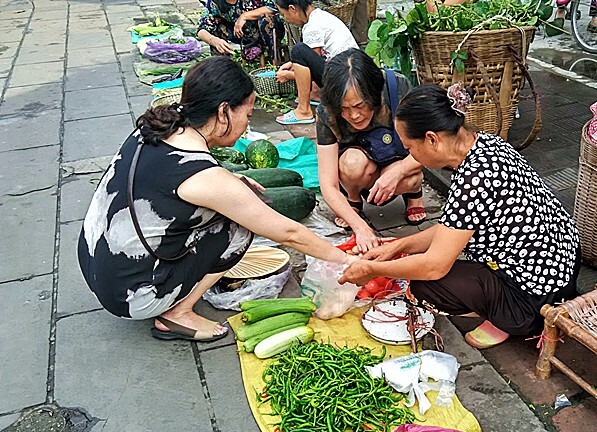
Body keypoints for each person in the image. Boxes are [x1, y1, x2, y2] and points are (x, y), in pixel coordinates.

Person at [78, 56, 353, 343]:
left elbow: (169, 184)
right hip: (130, 296)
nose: (247, 124)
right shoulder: (202, 174)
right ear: (223, 112)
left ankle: (169, 285)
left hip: (96, 263)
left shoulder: (155, 128)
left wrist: (232, 181)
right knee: (238, 226)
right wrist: (347, 260)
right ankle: (177, 314)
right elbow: (289, 233)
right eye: (247, 115)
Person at [339, 84, 581, 350]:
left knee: (424, 286)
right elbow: (455, 226)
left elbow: (434, 266)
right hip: (561, 271)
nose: (410, 155)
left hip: (534, 299)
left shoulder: (472, 181)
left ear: (432, 139)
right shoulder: (487, 144)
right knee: (427, 264)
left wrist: (372, 269)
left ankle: (510, 320)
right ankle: (503, 307)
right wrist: (399, 246)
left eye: (410, 147)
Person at [316, 48, 426, 253]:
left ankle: (414, 195)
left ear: (374, 94)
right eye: (344, 109)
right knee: (351, 164)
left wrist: (397, 172)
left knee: (411, 178)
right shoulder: (326, 110)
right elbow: (328, 184)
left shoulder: (397, 87)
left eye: (360, 105)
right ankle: (353, 199)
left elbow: (429, 149)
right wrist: (361, 228)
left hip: (395, 157)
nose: (354, 115)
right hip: (361, 163)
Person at [273, 0, 358, 125]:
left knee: (298, 50)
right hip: (351, 76)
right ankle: (315, 95)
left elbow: (310, 67)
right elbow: (313, 60)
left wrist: (288, 75)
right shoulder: (321, 16)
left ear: (292, 9)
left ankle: (303, 111)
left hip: (345, 81)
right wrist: (292, 64)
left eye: (283, 14)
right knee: (300, 54)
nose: (285, 19)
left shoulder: (312, 27)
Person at [197, 0, 285, 61]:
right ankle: (223, 67)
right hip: (240, 35)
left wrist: (245, 16)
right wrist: (213, 40)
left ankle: (274, 59)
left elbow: (275, 7)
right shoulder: (214, 3)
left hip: (264, 31)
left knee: (267, 20)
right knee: (216, 31)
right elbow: (202, 30)